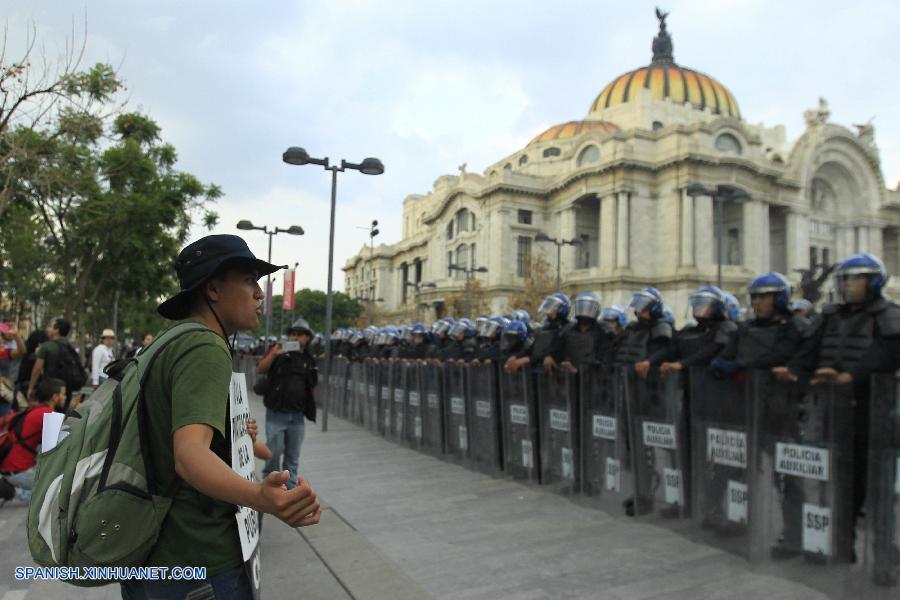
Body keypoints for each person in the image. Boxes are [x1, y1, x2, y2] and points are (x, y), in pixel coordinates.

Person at [123, 234, 320, 599]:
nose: (260, 294)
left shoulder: (171, 341)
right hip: (198, 563)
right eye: (249, 280)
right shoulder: (204, 346)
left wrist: (232, 433)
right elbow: (188, 455)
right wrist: (259, 497)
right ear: (213, 289)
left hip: (156, 561)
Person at [256, 317, 318, 490]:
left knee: (293, 456)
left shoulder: (309, 359)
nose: (296, 338)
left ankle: (290, 490)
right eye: (293, 334)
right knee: (273, 452)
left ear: (307, 338)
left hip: (297, 416)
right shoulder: (279, 351)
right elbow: (260, 368)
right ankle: (270, 485)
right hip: (276, 413)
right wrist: (275, 353)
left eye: (301, 334)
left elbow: (312, 384)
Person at [0, 377, 65, 503]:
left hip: (10, 466)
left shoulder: (35, 409)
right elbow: (64, 440)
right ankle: (10, 490)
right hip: (18, 471)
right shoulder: (48, 414)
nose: (65, 397)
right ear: (54, 397)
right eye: (63, 394)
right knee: (55, 493)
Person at [27, 318, 81, 407]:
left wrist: (31, 388)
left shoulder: (47, 347)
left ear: (56, 330)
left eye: (50, 327)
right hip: (66, 390)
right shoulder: (70, 348)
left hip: (50, 391)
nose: (48, 329)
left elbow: (37, 368)